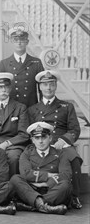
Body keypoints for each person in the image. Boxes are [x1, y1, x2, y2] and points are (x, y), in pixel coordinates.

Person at [27, 70, 82, 209]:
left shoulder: (66, 106)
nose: (48, 88)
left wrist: (62, 141)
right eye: (45, 84)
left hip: (60, 144)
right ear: (40, 87)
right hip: (40, 142)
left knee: (74, 158)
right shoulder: (33, 109)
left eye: (51, 84)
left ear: (56, 85)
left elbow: (75, 129)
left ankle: (74, 196)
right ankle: (32, 194)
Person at [9, 122, 70, 214]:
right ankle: (45, 206)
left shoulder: (60, 153)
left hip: (51, 190)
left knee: (65, 185)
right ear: (32, 140)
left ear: (50, 138)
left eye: (44, 137)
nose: (40, 141)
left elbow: (66, 175)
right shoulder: (27, 153)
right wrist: (49, 175)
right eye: (37, 138)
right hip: (32, 189)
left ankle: (32, 205)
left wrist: (46, 184)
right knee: (15, 179)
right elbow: (25, 174)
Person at [0, 72, 30, 176]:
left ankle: (12, 187)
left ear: (10, 88)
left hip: (13, 146)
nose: (3, 90)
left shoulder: (20, 108)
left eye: (6, 86)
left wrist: (6, 144)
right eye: (0, 87)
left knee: (13, 157)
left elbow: (24, 135)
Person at [0, 27, 44, 107]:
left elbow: (42, 89)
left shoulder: (36, 62)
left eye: (22, 40)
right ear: (12, 42)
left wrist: (42, 108)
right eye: (16, 40)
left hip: (30, 107)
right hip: (11, 108)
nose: (19, 43)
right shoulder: (4, 63)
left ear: (27, 42)